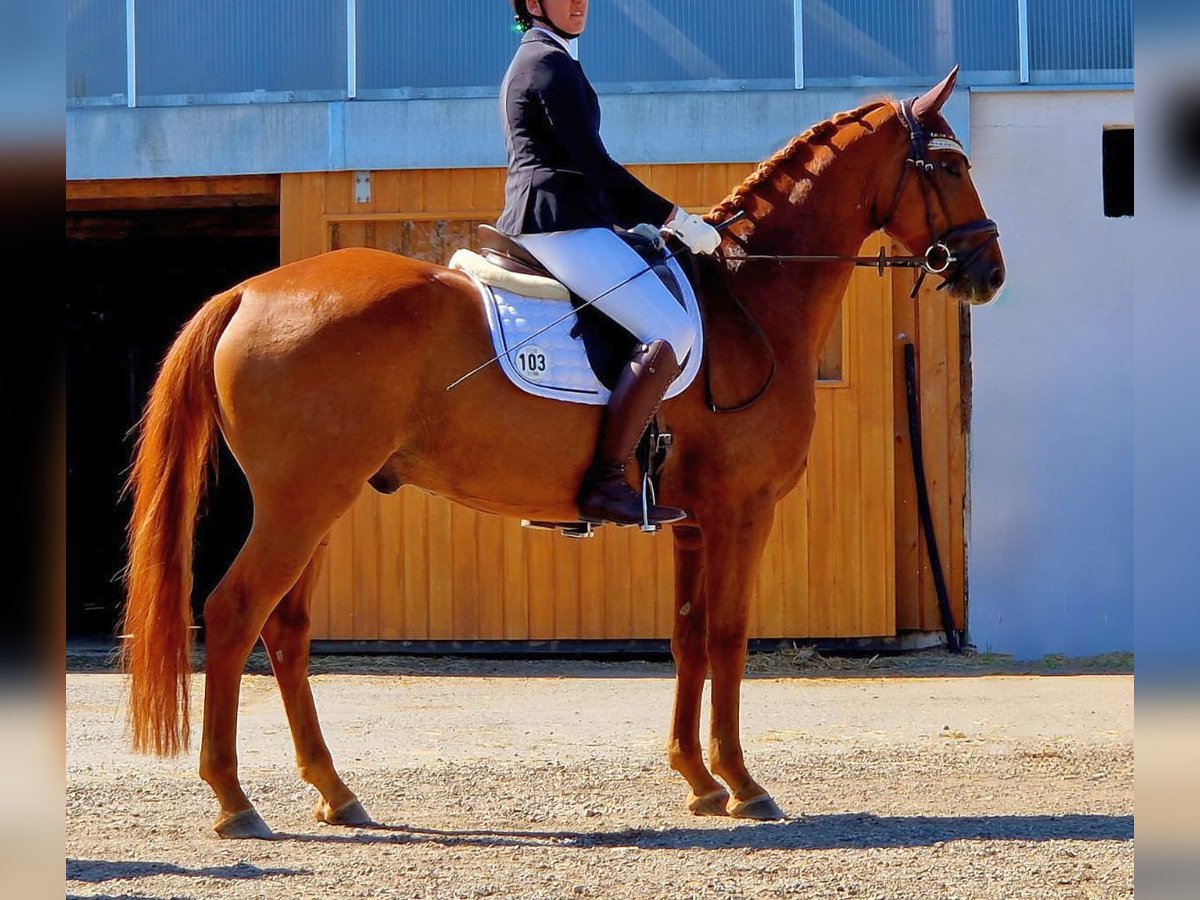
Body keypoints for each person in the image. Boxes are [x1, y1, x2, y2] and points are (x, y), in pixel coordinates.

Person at [498, 0, 722, 526]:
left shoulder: (548, 58)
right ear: (533, 4)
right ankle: (604, 482)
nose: (579, 2)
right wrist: (675, 218)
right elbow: (595, 166)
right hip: (558, 223)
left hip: (570, 218)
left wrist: (629, 226)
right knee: (672, 330)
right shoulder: (547, 64)